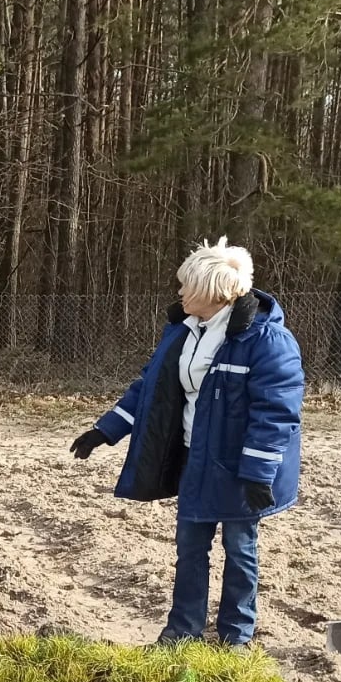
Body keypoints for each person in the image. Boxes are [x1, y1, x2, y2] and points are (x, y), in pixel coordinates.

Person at [70, 237, 303, 648]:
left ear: (211, 291)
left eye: (186, 285)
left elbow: (276, 413)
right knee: (190, 548)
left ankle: (236, 637)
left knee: (240, 550)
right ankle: (182, 632)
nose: (179, 293)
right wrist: (106, 430)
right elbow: (151, 389)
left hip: (238, 468)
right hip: (194, 460)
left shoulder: (266, 341)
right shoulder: (182, 332)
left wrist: (258, 473)